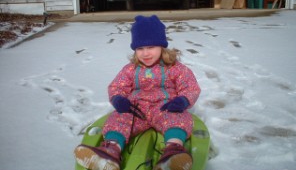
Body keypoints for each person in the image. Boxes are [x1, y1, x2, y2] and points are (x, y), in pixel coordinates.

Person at [74, 15, 201, 170]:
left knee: (177, 119)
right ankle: (110, 152)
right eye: (140, 48)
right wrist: (118, 99)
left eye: (151, 47)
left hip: (165, 108)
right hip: (136, 110)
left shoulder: (174, 67)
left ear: (162, 46)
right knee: (119, 119)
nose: (145, 53)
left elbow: (190, 87)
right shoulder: (131, 69)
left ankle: (173, 152)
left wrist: (183, 100)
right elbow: (117, 86)